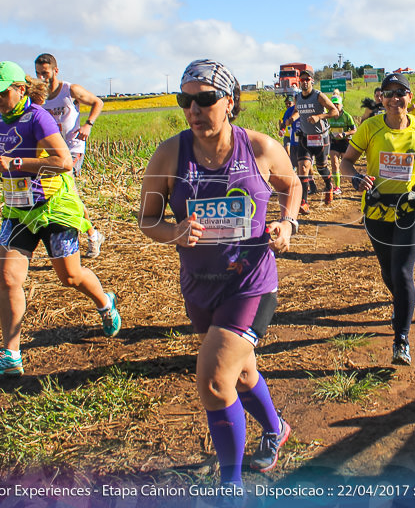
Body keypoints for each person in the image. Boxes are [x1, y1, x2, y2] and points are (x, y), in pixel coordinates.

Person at [138, 59, 300, 492]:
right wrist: (172, 231)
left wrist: (288, 224)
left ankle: (230, 487)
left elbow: (292, 185)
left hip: (251, 283)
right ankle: (276, 428)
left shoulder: (260, 147)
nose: (194, 108)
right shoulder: (170, 154)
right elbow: (147, 219)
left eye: (205, 98)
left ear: (229, 102)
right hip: (199, 286)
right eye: (185, 100)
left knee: (213, 379)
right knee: (241, 374)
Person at [0, 62, 120, 377]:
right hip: (18, 210)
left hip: (53, 205)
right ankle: (11, 355)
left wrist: (14, 163)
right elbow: (9, 156)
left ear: (20, 89)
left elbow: (64, 161)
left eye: (2, 91)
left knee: (70, 277)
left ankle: (105, 303)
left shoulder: (37, 117)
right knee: (9, 278)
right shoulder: (0, 119)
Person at [340, 73, 415, 365]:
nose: (395, 99)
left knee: (401, 272)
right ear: (381, 98)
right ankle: (403, 303)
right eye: (389, 93)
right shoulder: (370, 127)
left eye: (401, 93)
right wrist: (357, 177)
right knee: (388, 272)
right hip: (377, 209)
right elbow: (346, 162)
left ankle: (401, 338)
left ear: (411, 98)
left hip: (413, 207)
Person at [34, 53, 106, 258]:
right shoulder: (38, 97)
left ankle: (90, 237)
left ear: (55, 71)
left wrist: (88, 125)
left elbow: (97, 102)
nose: (42, 78)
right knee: (64, 193)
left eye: (45, 73)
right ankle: (89, 234)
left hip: (73, 148)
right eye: (38, 73)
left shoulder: (70, 90)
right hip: (52, 153)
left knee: (68, 190)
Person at [294, 69, 340, 213]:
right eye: (302, 80)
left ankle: (329, 185)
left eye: (307, 79)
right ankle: (304, 202)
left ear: (312, 81)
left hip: (321, 138)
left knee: (322, 169)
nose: (305, 82)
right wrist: (291, 119)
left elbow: (334, 112)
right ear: (299, 82)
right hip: (305, 138)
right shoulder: (297, 97)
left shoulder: (318, 96)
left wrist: (319, 116)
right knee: (303, 169)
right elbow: (298, 111)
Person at [327, 94, 357, 196]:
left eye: (337, 104)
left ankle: (354, 182)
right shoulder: (328, 116)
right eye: (333, 104)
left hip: (345, 142)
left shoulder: (347, 116)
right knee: (335, 164)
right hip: (334, 143)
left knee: (346, 165)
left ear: (341, 105)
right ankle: (337, 187)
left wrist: (345, 134)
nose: (335, 106)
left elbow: (354, 130)